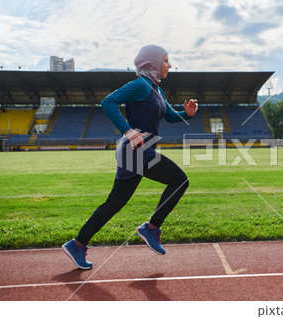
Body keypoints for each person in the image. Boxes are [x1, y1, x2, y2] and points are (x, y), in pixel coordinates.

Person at [62, 44, 198, 270]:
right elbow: (108, 102)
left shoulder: (156, 89)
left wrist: (188, 114)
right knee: (179, 180)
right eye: (166, 61)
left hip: (140, 152)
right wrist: (128, 130)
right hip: (136, 150)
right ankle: (151, 228)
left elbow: (171, 116)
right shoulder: (139, 85)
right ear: (153, 63)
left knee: (114, 203)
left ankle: (78, 244)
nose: (170, 65)